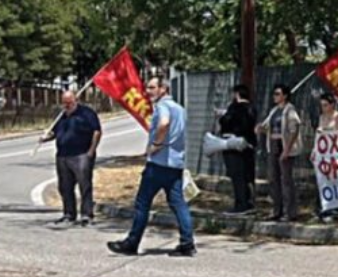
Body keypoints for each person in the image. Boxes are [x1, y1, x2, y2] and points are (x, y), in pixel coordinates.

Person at [107, 77, 196, 256]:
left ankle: (132, 243)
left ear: (163, 89)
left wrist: (156, 144)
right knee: (179, 204)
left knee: (142, 204)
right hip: (175, 164)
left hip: (158, 164)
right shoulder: (180, 109)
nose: (148, 91)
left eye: (152, 87)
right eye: (148, 87)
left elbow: (164, 123)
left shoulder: (163, 106)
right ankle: (187, 244)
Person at [41, 90, 102, 227]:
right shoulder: (61, 115)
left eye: (69, 102)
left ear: (76, 100)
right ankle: (69, 214)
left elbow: (97, 131)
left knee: (84, 185)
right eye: (64, 102)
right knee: (65, 186)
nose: (66, 105)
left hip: (81, 154)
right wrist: (45, 138)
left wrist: (91, 151)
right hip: (63, 155)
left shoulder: (87, 113)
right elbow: (55, 133)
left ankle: (86, 215)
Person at [257, 83, 303, 222]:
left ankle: (290, 212)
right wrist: (260, 128)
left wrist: (287, 150)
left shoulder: (290, 111)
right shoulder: (274, 111)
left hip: (284, 145)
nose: (274, 96)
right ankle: (276, 210)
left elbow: (294, 130)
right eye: (274, 94)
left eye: (277, 94)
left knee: (286, 180)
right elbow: (266, 126)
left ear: (285, 96)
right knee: (273, 178)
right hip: (273, 145)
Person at [217, 84, 257, 214]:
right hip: (248, 144)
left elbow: (226, 122)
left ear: (236, 94)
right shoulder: (252, 108)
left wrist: (222, 116)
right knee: (247, 175)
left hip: (233, 144)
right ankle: (250, 201)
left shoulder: (235, 108)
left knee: (237, 175)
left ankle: (241, 204)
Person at [315, 93, 338, 223]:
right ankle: (324, 206)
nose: (323, 108)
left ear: (332, 104)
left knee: (335, 180)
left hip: (335, 152)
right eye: (322, 105)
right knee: (324, 180)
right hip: (324, 153)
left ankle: (336, 208)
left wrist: (326, 130)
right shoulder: (322, 117)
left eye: (326, 105)